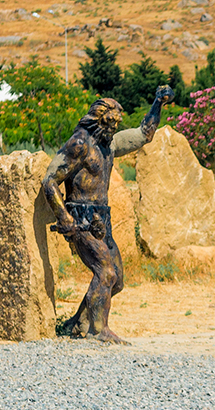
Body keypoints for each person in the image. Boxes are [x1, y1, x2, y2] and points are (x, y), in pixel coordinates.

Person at [41, 86, 170, 341]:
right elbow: (50, 180)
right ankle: (99, 330)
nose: (113, 130)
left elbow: (144, 134)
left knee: (117, 280)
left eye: (116, 126)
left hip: (102, 218)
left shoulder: (109, 144)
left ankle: (78, 323)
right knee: (106, 273)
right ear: (98, 119)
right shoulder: (80, 144)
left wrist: (158, 102)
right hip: (81, 217)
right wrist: (64, 217)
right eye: (110, 124)